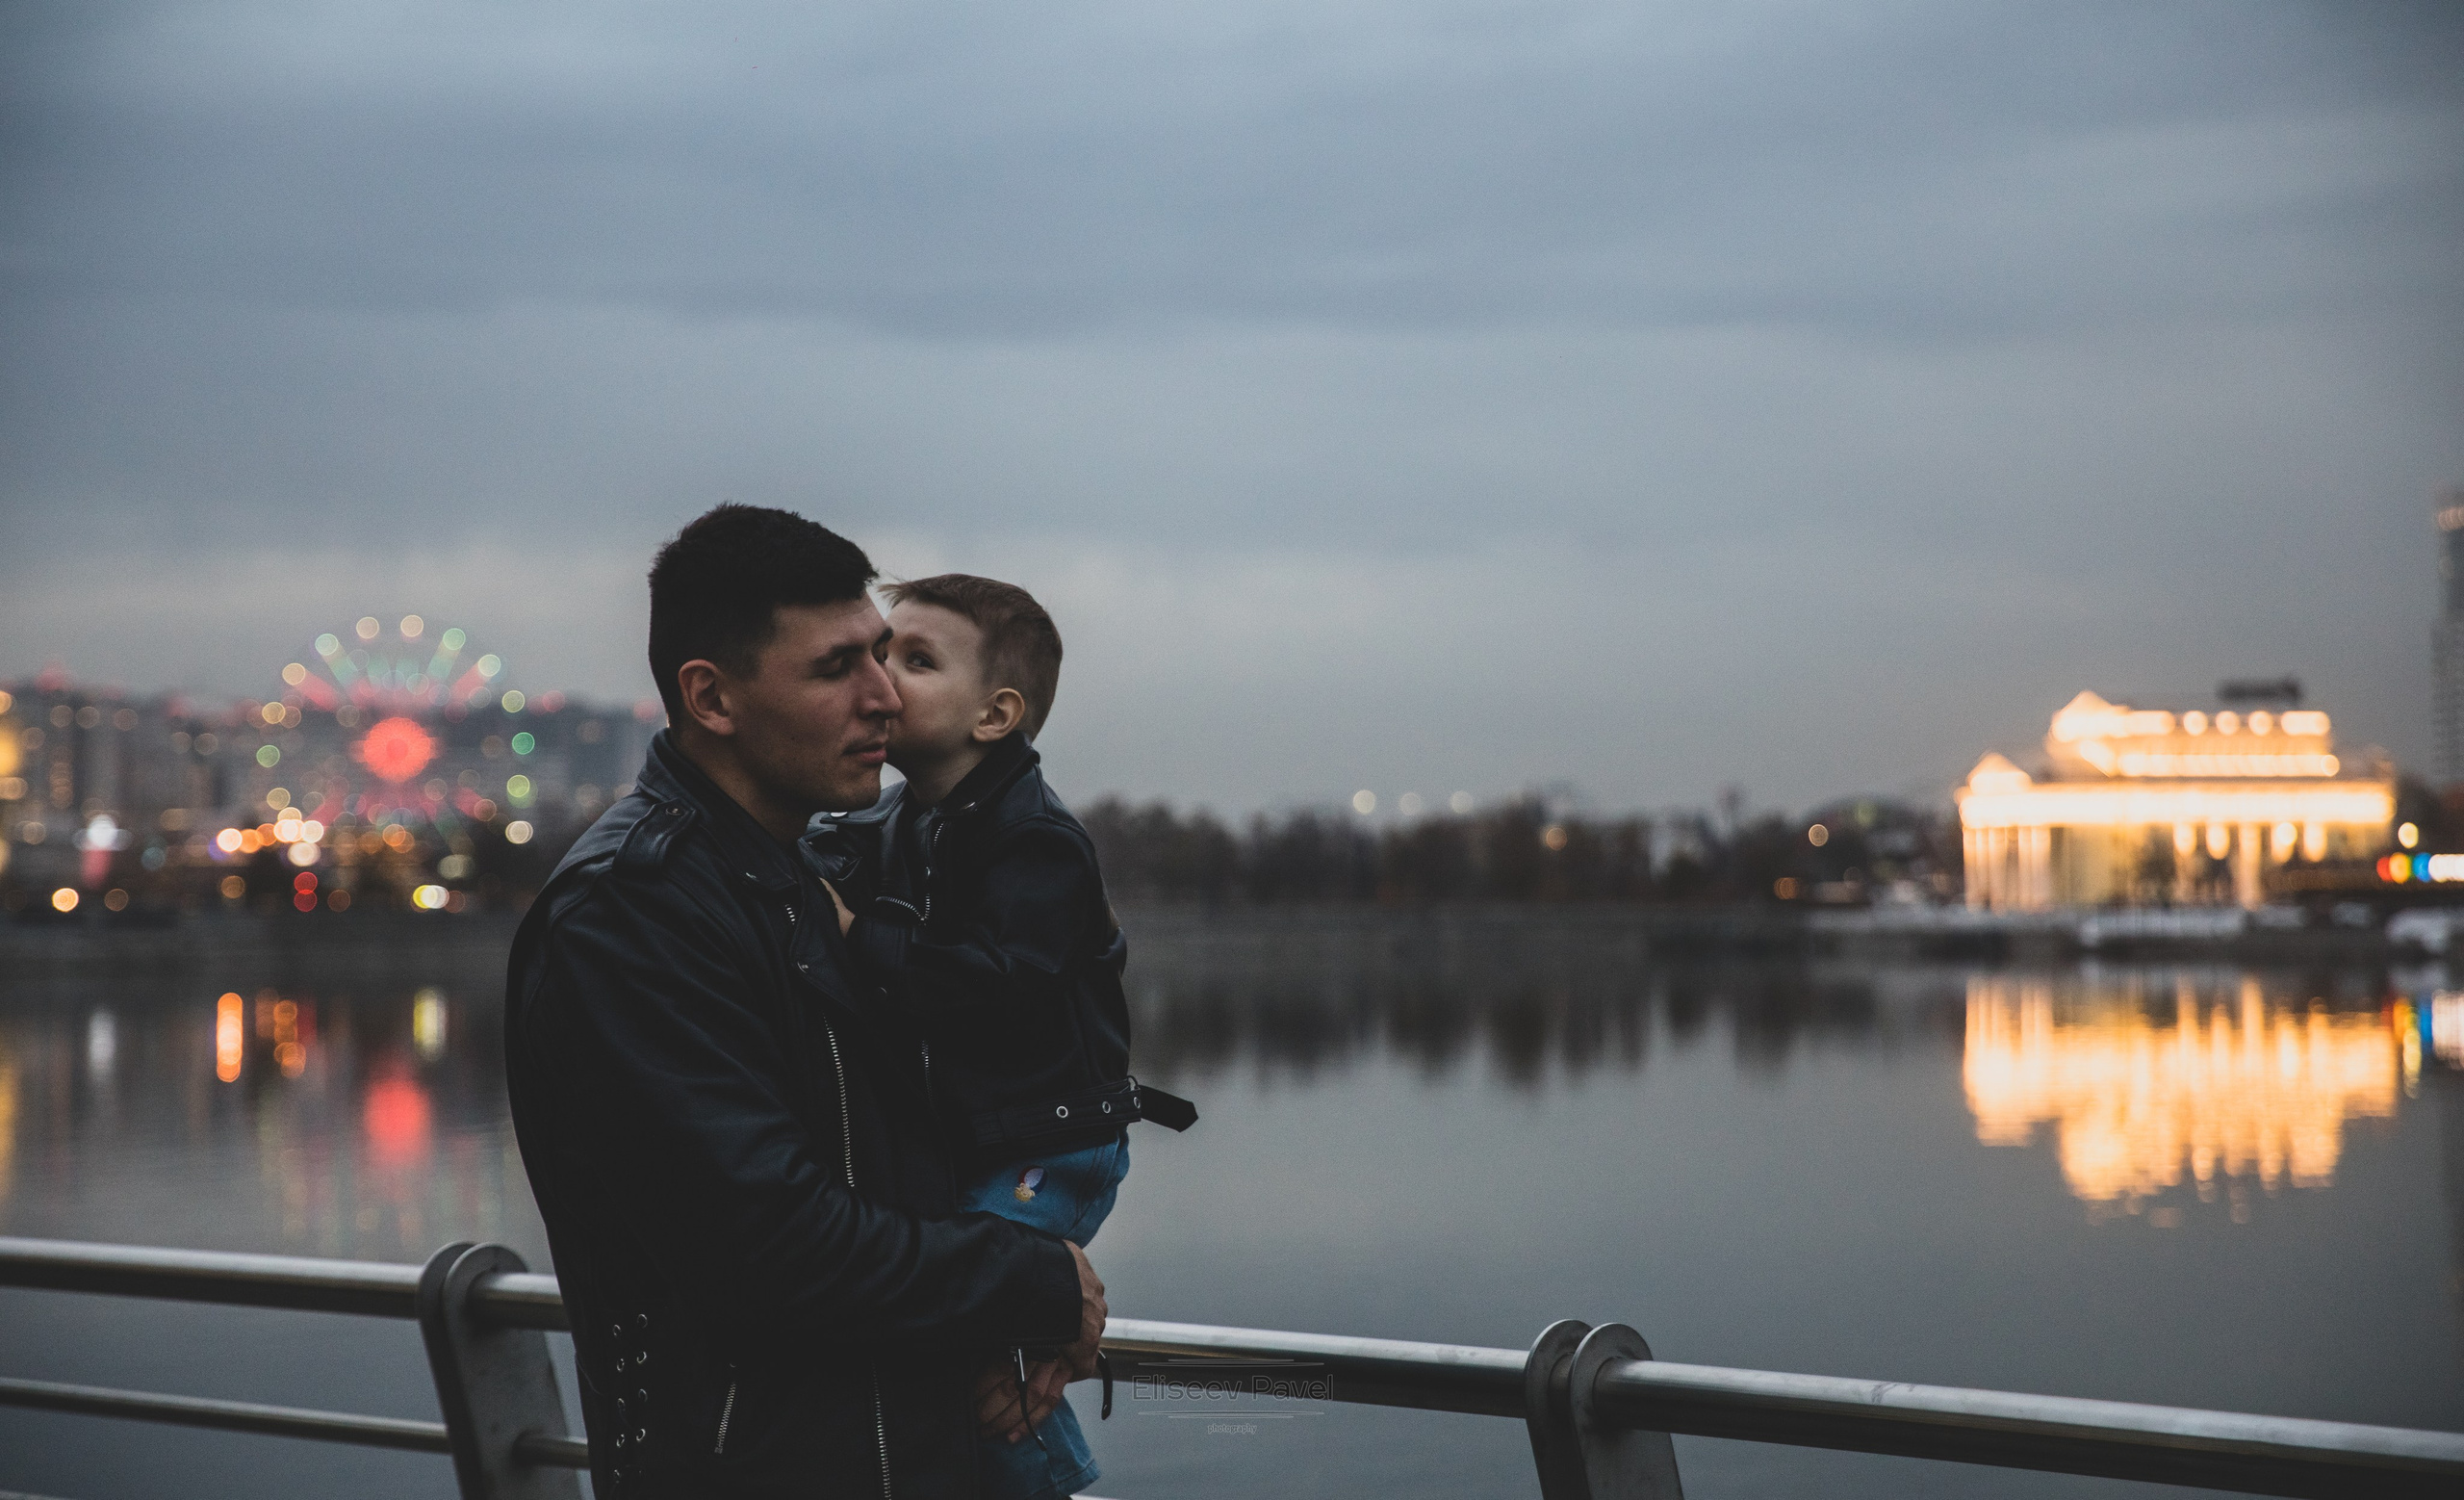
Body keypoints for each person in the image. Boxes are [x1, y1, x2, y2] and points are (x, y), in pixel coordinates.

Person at [503, 507, 1105, 1499]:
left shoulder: (812, 878)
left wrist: (1010, 1311)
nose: (884, 699)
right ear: (712, 697)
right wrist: (1030, 1280)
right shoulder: (632, 912)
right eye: (836, 670)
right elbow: (769, 1244)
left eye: (885, 655)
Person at [806, 574, 1194, 1500]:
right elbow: (812, 858)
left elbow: (996, 984)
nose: (882, 678)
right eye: (875, 654)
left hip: (1049, 1142)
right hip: (975, 1140)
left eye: (915, 659)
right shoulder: (894, 819)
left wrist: (861, 935)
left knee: (977, 1337)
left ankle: (1050, 1484)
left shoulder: (1039, 840)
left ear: (996, 714)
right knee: (952, 1319)